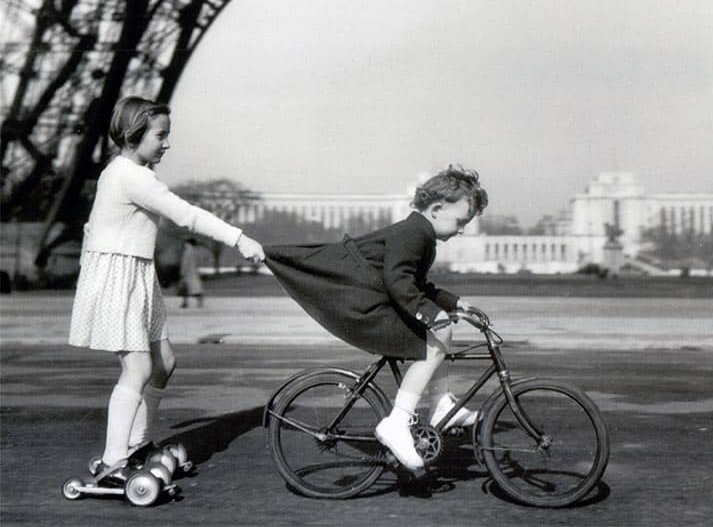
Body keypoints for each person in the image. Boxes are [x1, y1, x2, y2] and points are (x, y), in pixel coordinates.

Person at [68, 96, 265, 484]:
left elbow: (94, 226)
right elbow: (186, 215)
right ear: (133, 133)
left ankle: (136, 445)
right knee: (138, 367)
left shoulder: (120, 172)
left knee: (164, 363)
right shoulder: (131, 176)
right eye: (161, 135)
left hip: (135, 273)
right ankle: (113, 462)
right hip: (118, 276)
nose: (167, 144)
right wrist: (239, 238)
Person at [264, 166, 488, 471]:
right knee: (439, 334)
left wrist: (456, 304)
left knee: (439, 332)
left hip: (371, 302)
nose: (462, 229)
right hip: (365, 308)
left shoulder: (420, 233)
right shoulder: (413, 234)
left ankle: (440, 404)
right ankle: (398, 422)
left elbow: (418, 287)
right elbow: (399, 282)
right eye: (461, 221)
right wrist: (434, 315)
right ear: (436, 210)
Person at [178, 238, 204, 308]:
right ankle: (199, 302)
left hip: (188, 273)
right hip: (194, 272)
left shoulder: (187, 251)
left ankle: (185, 303)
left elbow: (185, 263)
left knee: (185, 288)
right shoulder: (195, 251)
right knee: (195, 288)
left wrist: (182, 272)